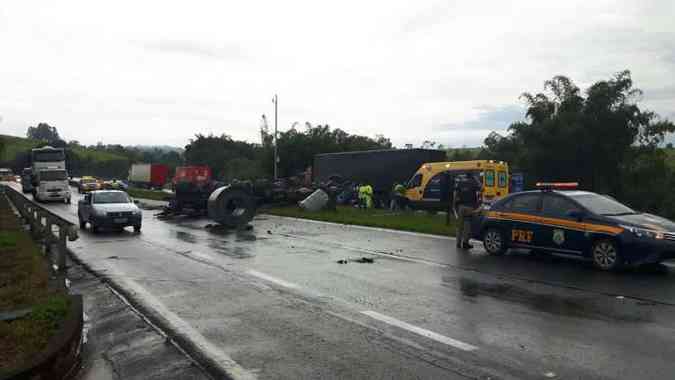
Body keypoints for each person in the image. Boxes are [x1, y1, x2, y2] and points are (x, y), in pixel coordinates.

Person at [452, 174, 482, 249]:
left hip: (460, 207)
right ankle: (465, 243)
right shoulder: (473, 182)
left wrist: (454, 204)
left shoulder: (460, 183)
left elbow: (455, 194)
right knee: (467, 226)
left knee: (459, 226)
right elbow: (482, 189)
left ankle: (458, 243)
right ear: (472, 177)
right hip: (469, 207)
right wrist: (477, 180)